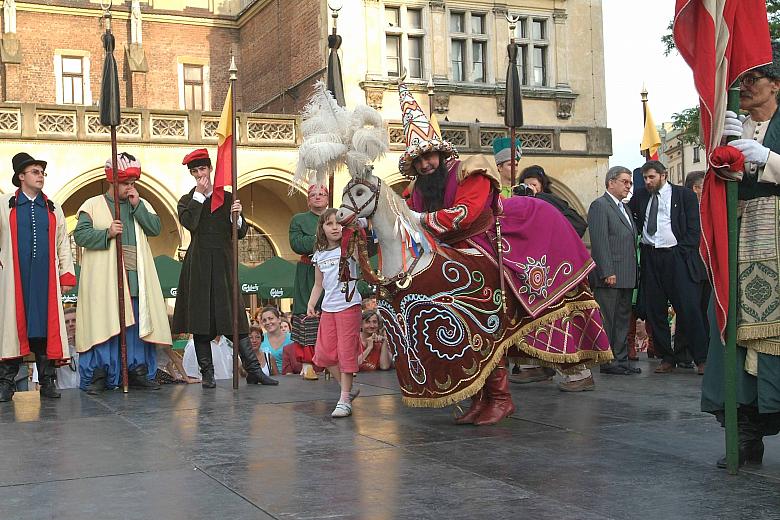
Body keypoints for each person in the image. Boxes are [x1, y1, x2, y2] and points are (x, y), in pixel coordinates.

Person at [399, 80, 611, 424]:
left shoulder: (471, 171)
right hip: (458, 255)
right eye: (418, 160)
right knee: (469, 323)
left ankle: (502, 396)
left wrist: (418, 218)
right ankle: (485, 396)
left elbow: (465, 215)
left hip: (506, 238)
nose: (425, 165)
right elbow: (405, 224)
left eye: (428, 156)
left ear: (440, 153)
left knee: (486, 315)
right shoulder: (417, 191)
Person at [702, 45, 780, 468]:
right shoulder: (735, 126)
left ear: (776, 85)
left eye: (753, 79)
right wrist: (722, 152)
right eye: (742, 80)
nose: (744, 87)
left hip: (779, 242)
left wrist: (768, 159)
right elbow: (718, 187)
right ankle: (745, 435)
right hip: (740, 242)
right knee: (731, 333)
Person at [172, 149, 277, 389]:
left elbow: (240, 233)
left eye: (203, 169)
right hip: (198, 265)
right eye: (195, 171)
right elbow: (190, 223)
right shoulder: (187, 201)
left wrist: (237, 217)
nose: (201, 175)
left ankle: (253, 370)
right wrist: (199, 196)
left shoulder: (228, 198)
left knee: (234, 319)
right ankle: (207, 374)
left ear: (210, 169)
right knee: (200, 322)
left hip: (223, 264)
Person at [74, 152, 171, 393]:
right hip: (104, 280)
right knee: (104, 324)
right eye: (126, 183)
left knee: (136, 325)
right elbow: (80, 235)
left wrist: (137, 206)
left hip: (135, 277)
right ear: (113, 181)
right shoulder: (92, 205)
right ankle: (101, 373)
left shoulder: (141, 204)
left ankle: (137, 370)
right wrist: (106, 233)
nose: (130, 188)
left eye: (132, 183)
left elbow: (155, 228)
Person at [0, 152, 76, 401]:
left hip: (45, 278)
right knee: (13, 327)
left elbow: (63, 241)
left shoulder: (52, 208)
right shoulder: (3, 205)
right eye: (35, 172)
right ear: (21, 176)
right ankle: (6, 382)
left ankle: (47, 381)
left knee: (44, 327)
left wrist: (66, 274)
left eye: (42, 172)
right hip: (15, 278)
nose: (40, 176)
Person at [628, 160, 708, 375]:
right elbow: (633, 219)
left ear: (664, 175)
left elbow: (694, 229)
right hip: (651, 256)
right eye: (645, 178)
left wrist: (682, 252)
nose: (647, 182)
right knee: (655, 310)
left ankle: (701, 357)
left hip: (677, 257)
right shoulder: (641, 197)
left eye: (651, 177)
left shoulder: (684, 196)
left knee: (689, 308)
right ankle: (666, 357)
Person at [308, 208, 363, 418]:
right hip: (328, 308)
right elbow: (318, 284)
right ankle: (346, 390)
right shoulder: (319, 255)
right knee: (324, 353)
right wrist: (312, 304)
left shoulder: (349, 249)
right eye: (329, 223)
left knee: (346, 352)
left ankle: (344, 399)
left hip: (348, 306)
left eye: (338, 223)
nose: (334, 227)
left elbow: (362, 253)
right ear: (322, 228)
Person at [587, 166, 640, 378]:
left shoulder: (624, 208)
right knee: (608, 319)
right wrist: (606, 270)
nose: (628, 186)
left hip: (626, 273)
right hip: (610, 274)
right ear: (611, 182)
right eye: (625, 182)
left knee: (622, 319)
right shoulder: (600, 206)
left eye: (630, 183)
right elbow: (600, 241)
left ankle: (621, 359)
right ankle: (608, 360)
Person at [289, 184, 329, 380]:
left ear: (328, 198)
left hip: (333, 269)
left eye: (321, 194)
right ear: (308, 200)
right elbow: (297, 244)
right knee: (307, 311)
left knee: (333, 313)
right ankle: (308, 363)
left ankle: (333, 362)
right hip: (308, 271)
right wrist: (324, 237)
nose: (318, 197)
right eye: (313, 195)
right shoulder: (299, 219)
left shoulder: (336, 216)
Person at [518, 164, 588, 238]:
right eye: (526, 186)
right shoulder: (523, 205)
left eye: (534, 185)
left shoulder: (551, 201)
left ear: (542, 185)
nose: (530, 188)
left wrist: (537, 196)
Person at [259, 306, 293, 376]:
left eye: (271, 319)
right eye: (264, 320)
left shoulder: (292, 338)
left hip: (291, 379)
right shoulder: (260, 340)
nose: (268, 322)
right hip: (267, 380)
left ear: (279, 319)